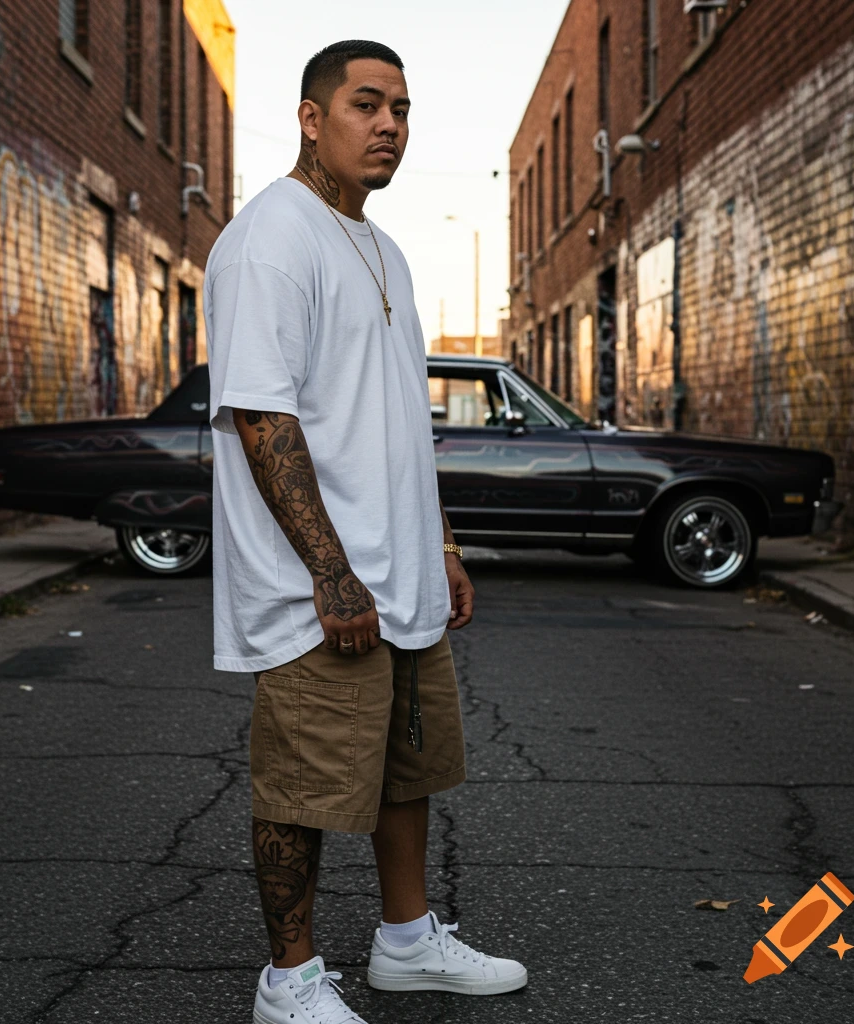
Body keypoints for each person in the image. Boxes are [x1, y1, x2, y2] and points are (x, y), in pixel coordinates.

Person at [204, 39, 528, 1024]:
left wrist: (441, 545)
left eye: (401, 109)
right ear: (311, 118)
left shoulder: (381, 246)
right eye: (365, 104)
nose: (388, 125)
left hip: (401, 571)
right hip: (318, 585)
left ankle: (406, 941)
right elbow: (262, 417)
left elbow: (394, 424)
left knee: (405, 767)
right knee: (301, 789)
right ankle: (289, 981)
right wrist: (331, 570)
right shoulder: (271, 239)